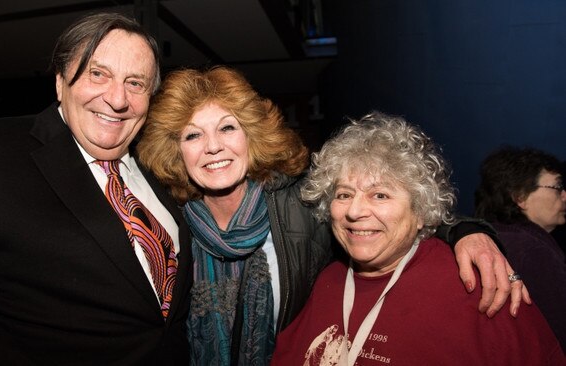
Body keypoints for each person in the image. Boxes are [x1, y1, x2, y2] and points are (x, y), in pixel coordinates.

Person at [137, 67, 527, 365]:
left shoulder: (300, 202)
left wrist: (468, 231)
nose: (213, 147)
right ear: (176, 150)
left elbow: (384, 214)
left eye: (227, 128)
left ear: (252, 137)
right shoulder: (170, 219)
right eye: (192, 135)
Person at [0, 13, 192, 365]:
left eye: (135, 83)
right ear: (61, 80)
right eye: (98, 73)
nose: (118, 99)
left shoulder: (157, 166)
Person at [270, 112, 564, 365]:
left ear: (421, 210)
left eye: (380, 195)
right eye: (344, 194)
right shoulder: (325, 280)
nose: (355, 211)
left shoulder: (480, 284)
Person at [475, 146, 566, 350]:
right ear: (520, 197)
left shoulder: (492, 236)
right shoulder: (531, 249)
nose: (564, 196)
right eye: (557, 187)